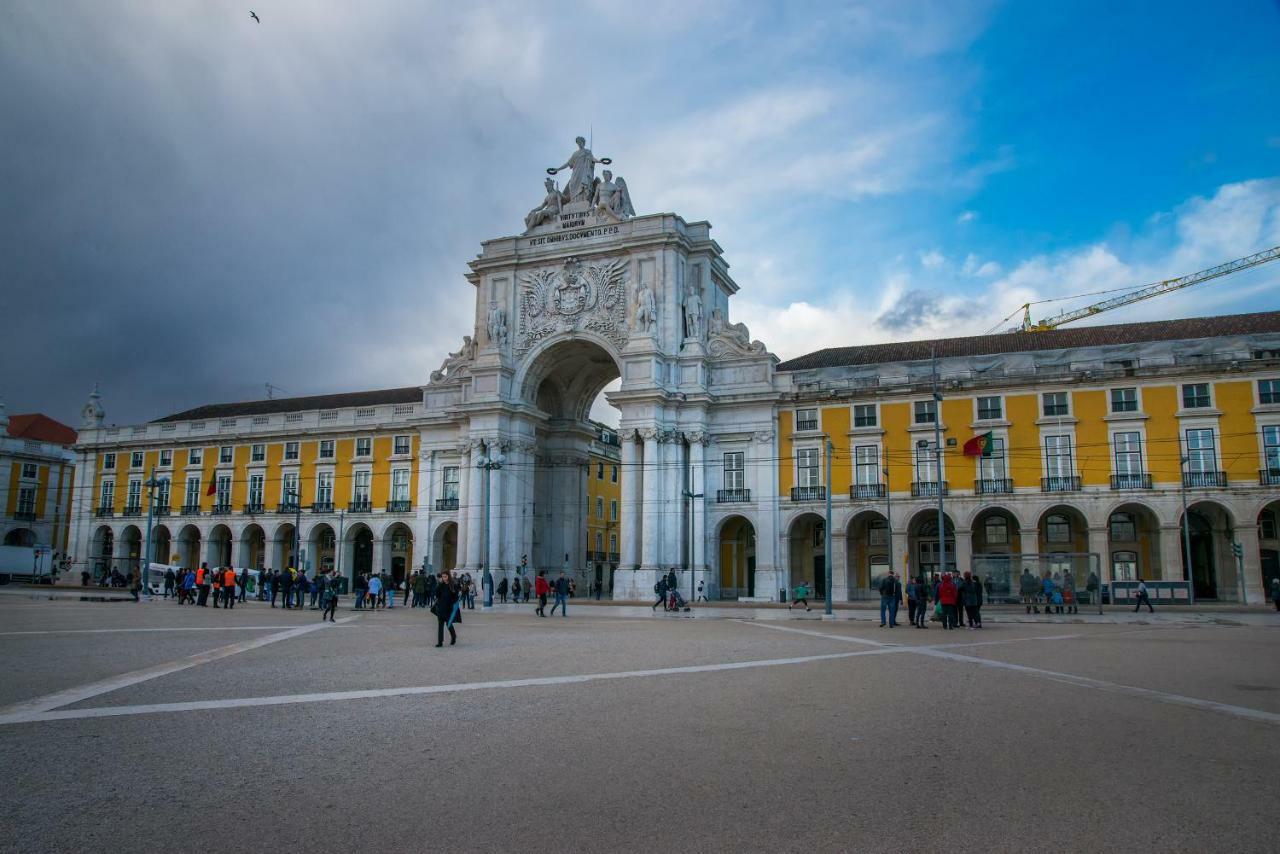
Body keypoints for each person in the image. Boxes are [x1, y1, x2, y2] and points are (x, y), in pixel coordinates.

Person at [432, 571, 460, 647]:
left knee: (449, 624)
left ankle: (453, 636)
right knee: (440, 625)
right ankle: (440, 642)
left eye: (445, 576)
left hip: (449, 608)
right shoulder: (441, 585)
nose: (444, 578)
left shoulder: (453, 585)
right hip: (441, 608)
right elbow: (436, 594)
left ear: (448, 576)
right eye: (443, 577)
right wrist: (439, 585)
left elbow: (455, 597)